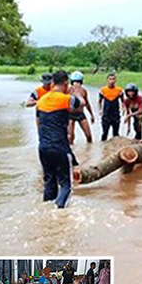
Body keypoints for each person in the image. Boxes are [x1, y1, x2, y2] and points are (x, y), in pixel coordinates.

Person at [36, 70, 82, 208]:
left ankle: (46, 212)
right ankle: (58, 214)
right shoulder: (66, 99)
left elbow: (38, 122)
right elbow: (81, 104)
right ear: (66, 83)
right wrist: (75, 91)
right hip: (60, 147)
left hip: (43, 147)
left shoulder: (41, 101)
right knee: (66, 185)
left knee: (49, 183)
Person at [68, 71, 95, 144]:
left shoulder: (83, 91)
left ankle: (89, 150)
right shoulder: (68, 90)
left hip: (80, 114)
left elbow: (87, 103)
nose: (77, 84)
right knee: (70, 136)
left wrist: (91, 115)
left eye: (78, 82)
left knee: (89, 135)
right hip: (70, 115)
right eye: (75, 82)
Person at [99, 72, 124, 140]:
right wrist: (100, 109)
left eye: (113, 79)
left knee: (116, 134)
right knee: (104, 133)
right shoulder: (103, 90)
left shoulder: (119, 90)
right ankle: (103, 148)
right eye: (110, 79)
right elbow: (100, 101)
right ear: (107, 80)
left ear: (115, 80)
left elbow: (123, 101)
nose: (111, 81)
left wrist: (123, 108)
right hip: (106, 114)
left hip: (115, 114)